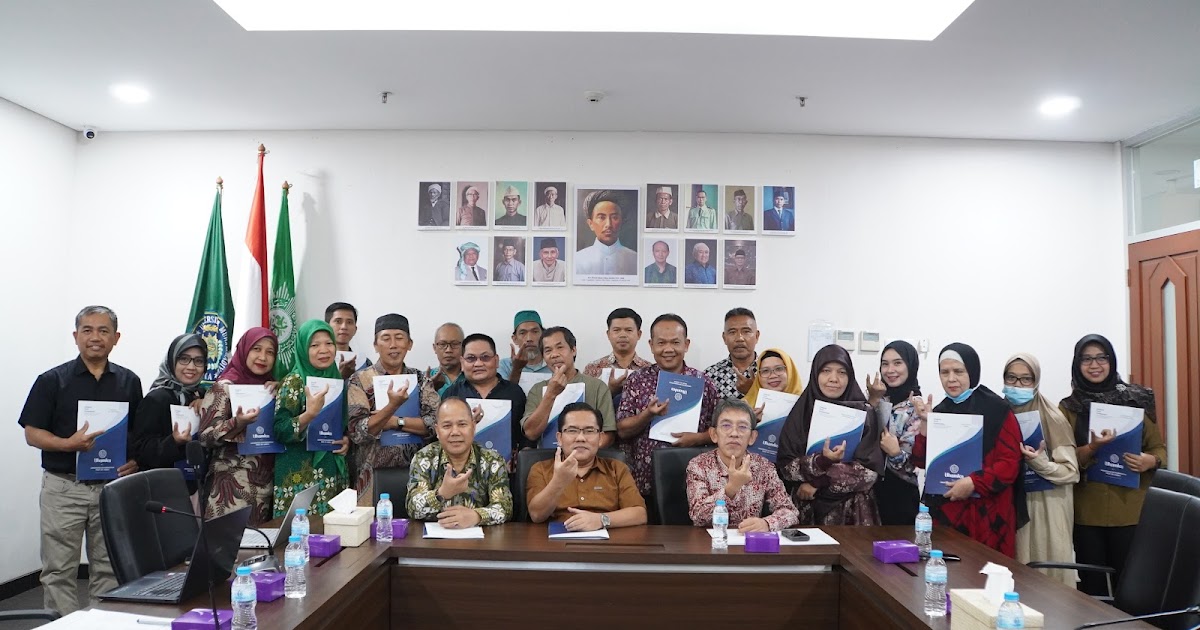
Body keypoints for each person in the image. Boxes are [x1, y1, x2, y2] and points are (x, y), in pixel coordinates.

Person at [18, 305, 141, 615]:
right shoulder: (51, 380)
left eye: (103, 331)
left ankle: (102, 623)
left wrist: (135, 461)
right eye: (87, 330)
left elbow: (137, 434)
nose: (95, 337)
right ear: (76, 336)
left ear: (116, 338)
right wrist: (67, 444)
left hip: (111, 488)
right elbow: (32, 433)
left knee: (109, 567)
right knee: (58, 570)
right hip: (64, 488)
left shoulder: (129, 382)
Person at [1059, 334, 1164, 596]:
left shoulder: (1137, 400)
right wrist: (1092, 448)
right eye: (1086, 359)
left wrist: (1149, 461)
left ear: (1111, 360)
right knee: (1093, 590)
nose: (1094, 365)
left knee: (1130, 588)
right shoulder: (1069, 408)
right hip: (1087, 512)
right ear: (1077, 364)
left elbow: (1159, 448)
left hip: (1130, 511)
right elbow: (1065, 459)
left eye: (1101, 357)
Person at [910, 343, 1025, 557]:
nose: (951, 379)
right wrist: (925, 422)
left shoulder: (997, 410)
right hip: (948, 512)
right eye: (944, 372)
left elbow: (1009, 463)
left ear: (972, 371)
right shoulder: (941, 411)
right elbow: (920, 461)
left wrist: (973, 482)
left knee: (984, 571)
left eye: (958, 371)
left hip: (987, 515)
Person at [616, 313, 720, 500]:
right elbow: (622, 431)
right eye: (661, 343)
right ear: (651, 345)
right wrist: (647, 415)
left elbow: (720, 432)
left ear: (686, 344)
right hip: (643, 480)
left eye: (675, 342)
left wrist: (697, 438)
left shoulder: (704, 382)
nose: (668, 349)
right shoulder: (636, 380)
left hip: (695, 481)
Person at [777, 344, 883, 525]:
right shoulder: (801, 413)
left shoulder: (864, 413)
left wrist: (818, 482)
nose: (834, 379)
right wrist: (820, 461)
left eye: (842, 372)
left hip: (852, 514)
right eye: (826, 371)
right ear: (815, 374)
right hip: (807, 510)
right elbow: (786, 468)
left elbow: (869, 473)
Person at [1002, 353, 1079, 588]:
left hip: (1046, 506)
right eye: (1011, 378)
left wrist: (1040, 462)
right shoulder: (999, 413)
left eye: (1026, 379)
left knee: (1046, 578)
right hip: (1012, 504)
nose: (1018, 385)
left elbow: (1071, 472)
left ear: (1036, 381)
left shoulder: (1053, 417)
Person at [346, 314, 439, 503]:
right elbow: (358, 432)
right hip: (371, 475)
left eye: (399, 338)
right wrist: (392, 407)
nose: (393, 345)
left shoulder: (421, 379)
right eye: (386, 338)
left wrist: (396, 422)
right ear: (375, 345)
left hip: (418, 475)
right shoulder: (360, 380)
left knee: (416, 520)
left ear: (409, 344)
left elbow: (436, 425)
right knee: (374, 522)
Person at [271, 319, 352, 517]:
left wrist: (345, 441)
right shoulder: (294, 381)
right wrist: (309, 415)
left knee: (333, 531)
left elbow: (343, 425)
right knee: (300, 532)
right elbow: (280, 430)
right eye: (314, 345)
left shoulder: (336, 379)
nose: (323, 350)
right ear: (303, 349)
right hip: (299, 475)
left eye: (329, 343)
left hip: (331, 472)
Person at [198, 327, 278, 524]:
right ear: (244, 350)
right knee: (227, 542)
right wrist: (237, 423)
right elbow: (205, 437)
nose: (263, 357)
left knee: (259, 544)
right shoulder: (225, 387)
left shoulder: (272, 388)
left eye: (270, 352)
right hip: (230, 488)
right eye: (256, 349)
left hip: (266, 489)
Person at [526, 403, 647, 528]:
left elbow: (639, 514)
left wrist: (601, 520)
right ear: (560, 438)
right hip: (555, 537)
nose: (581, 438)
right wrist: (558, 481)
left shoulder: (616, 469)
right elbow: (536, 515)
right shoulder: (541, 469)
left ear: (600, 438)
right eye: (572, 431)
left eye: (589, 431)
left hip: (607, 537)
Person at [686, 399, 799, 532]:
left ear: (752, 437)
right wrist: (731, 488)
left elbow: (790, 511)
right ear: (714, 434)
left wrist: (767, 524)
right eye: (726, 425)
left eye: (742, 427)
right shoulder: (698, 466)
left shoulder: (763, 467)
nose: (734, 433)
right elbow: (698, 516)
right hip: (711, 540)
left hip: (749, 541)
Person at [406, 397, 514, 527]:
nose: (455, 432)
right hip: (435, 536)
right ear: (437, 431)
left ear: (473, 427)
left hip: (480, 537)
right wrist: (441, 493)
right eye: (447, 426)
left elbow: (505, 507)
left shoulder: (492, 460)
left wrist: (477, 516)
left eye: (462, 424)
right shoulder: (424, 458)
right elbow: (412, 508)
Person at [522, 327, 617, 449]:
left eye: (560, 347)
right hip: (548, 458)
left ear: (573, 350)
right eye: (548, 350)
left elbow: (608, 435)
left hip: (588, 457)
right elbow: (531, 433)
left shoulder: (597, 386)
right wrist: (550, 394)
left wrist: (581, 453)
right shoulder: (537, 390)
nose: (554, 355)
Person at [132, 334, 206, 490]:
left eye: (198, 361)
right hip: (161, 489)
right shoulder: (157, 398)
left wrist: (208, 402)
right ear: (172, 361)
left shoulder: (203, 396)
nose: (191, 367)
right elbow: (141, 452)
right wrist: (173, 441)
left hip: (198, 488)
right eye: (184, 359)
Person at [863, 340, 923, 526]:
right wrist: (873, 400)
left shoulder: (917, 407)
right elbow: (861, 435)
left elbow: (915, 466)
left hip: (900, 496)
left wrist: (895, 453)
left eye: (897, 363)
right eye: (885, 364)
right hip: (869, 491)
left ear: (910, 366)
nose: (890, 370)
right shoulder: (878, 397)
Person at [442, 333, 531, 458]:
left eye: (485, 357)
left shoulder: (514, 392)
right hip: (461, 465)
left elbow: (525, 435)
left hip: (506, 465)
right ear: (462, 362)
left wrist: (520, 457)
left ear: (496, 360)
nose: (478, 364)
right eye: (471, 358)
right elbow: (443, 434)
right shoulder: (452, 394)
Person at [583, 308, 652, 410]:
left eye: (628, 330)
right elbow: (584, 406)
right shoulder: (593, 368)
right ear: (608, 334)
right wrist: (610, 391)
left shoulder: (649, 370)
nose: (622, 335)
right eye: (616, 330)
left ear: (639, 334)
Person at [576, 190, 637, 276]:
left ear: (621, 222)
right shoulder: (577, 260)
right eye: (601, 217)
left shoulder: (635, 259)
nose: (608, 224)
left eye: (614, 217)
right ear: (591, 224)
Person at [703, 308, 760, 400]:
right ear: (724, 338)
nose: (739, 338)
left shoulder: (770, 372)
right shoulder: (709, 375)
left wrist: (752, 391)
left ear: (757, 336)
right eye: (732, 332)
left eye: (746, 331)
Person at [498, 310, 551, 382]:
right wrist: (516, 369)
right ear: (515, 339)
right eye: (522, 333)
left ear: (543, 336)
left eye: (535, 332)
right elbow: (502, 389)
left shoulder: (553, 363)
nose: (529, 339)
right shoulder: (505, 366)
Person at [326, 302, 369, 379]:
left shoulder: (364, 363)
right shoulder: (318, 360)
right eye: (338, 321)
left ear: (355, 329)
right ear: (326, 326)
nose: (344, 327)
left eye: (349, 322)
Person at [427, 322, 466, 396]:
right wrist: (427, 389)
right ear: (434, 348)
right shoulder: (423, 379)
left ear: (464, 347)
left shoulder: (474, 377)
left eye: (455, 344)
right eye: (442, 344)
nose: (448, 350)